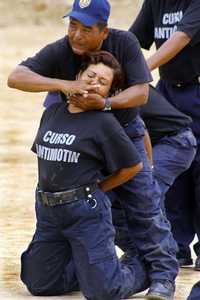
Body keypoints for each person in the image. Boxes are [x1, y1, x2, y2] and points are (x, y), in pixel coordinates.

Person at [7, 1, 178, 299]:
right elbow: (16, 77)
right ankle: (99, 267)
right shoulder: (62, 49)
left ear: (104, 31)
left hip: (122, 131)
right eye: (73, 25)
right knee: (97, 207)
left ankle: (163, 275)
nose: (76, 35)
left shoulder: (123, 42)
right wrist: (65, 85)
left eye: (86, 29)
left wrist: (106, 104)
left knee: (145, 206)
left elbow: (140, 93)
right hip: (81, 141)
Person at [20, 51, 149, 299]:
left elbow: (133, 166)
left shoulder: (104, 123)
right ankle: (89, 271)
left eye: (102, 82)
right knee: (40, 285)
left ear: (109, 93)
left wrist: (100, 188)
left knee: (103, 292)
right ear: (78, 76)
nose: (94, 83)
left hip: (85, 213)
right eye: (90, 75)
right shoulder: (52, 113)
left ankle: (143, 268)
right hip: (48, 213)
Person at [130, 0, 200, 270]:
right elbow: (133, 38)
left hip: (196, 90)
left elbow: (181, 37)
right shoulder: (156, 1)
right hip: (168, 91)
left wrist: (140, 70)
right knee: (173, 167)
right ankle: (176, 245)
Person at [140, 85, 197, 213]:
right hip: (160, 141)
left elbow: (140, 130)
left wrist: (149, 167)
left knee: (146, 194)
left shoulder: (121, 89)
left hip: (176, 141)